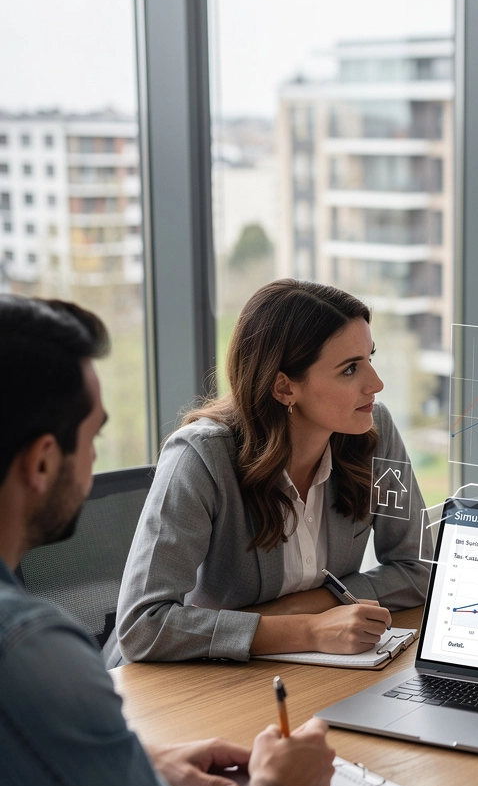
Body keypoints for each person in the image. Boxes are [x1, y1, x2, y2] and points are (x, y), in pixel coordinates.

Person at [0, 295, 337, 786]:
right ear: (42, 461)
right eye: (93, 437)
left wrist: (129, 761)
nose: (98, 459)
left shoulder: (366, 441)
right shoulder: (28, 650)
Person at [115, 280, 430, 664]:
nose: (376, 384)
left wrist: (309, 605)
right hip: (196, 682)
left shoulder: (372, 433)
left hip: (312, 672)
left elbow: (418, 569)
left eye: (369, 358)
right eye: (350, 369)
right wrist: (308, 629)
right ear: (284, 388)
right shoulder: (200, 457)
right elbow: (142, 626)